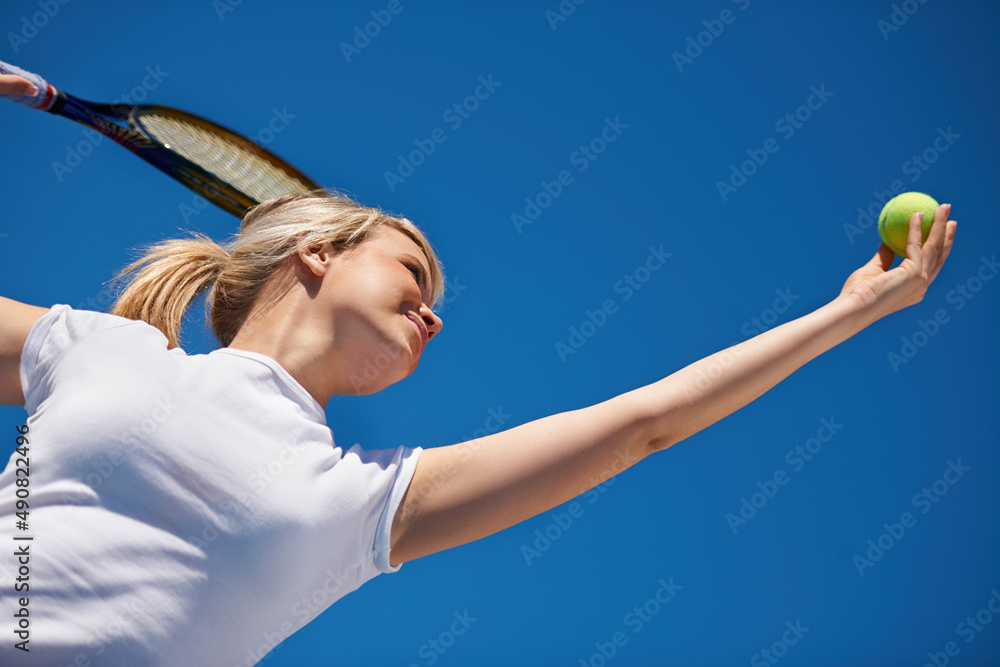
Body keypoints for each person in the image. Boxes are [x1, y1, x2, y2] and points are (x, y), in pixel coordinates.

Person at [0, 72, 957, 665]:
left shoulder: (360, 500)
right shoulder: (99, 349)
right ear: (318, 254)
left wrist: (852, 311)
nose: (436, 312)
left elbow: (645, 421)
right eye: (414, 269)